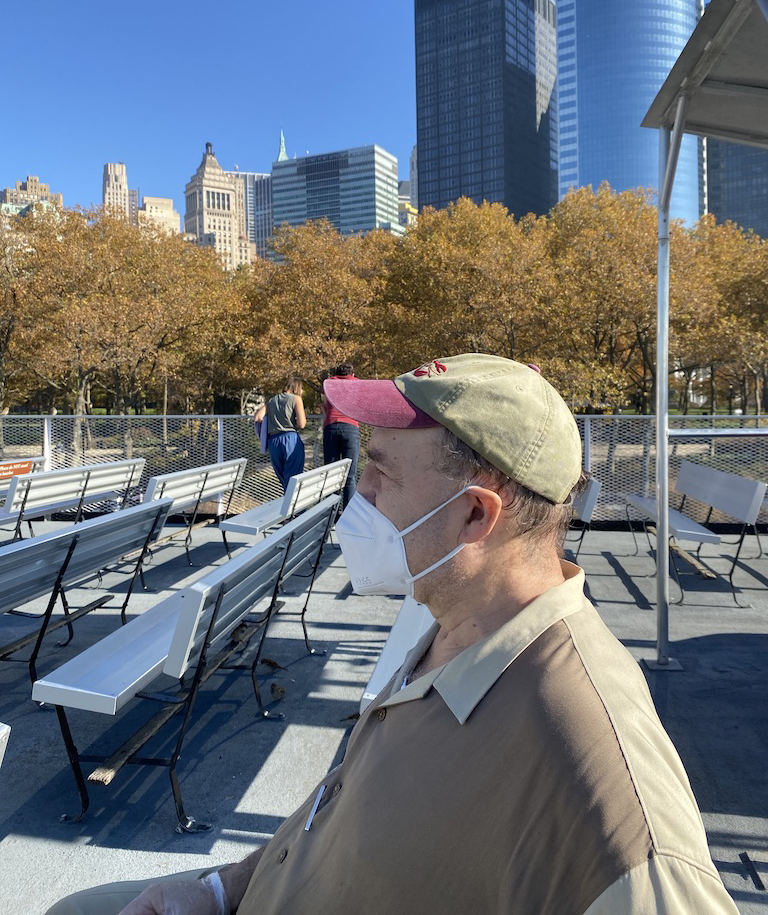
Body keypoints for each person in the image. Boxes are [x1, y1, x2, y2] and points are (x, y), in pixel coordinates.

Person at [47, 354, 739, 915]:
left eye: (380, 471)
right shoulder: (454, 625)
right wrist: (220, 888)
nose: (362, 494)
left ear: (475, 517)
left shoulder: (598, 772)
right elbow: (345, 804)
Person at [254, 376, 306, 492]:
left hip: (273, 441)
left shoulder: (272, 400)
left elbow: (258, 417)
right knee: (294, 479)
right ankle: (296, 509)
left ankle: (288, 505)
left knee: (284, 480)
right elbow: (302, 424)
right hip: (290, 439)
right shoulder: (296, 399)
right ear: (296, 387)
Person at [322, 361, 360, 508]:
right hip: (350, 427)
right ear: (352, 374)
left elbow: (326, 403)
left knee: (332, 474)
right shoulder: (357, 383)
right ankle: (348, 515)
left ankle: (331, 513)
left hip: (331, 426)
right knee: (350, 476)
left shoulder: (329, 383)